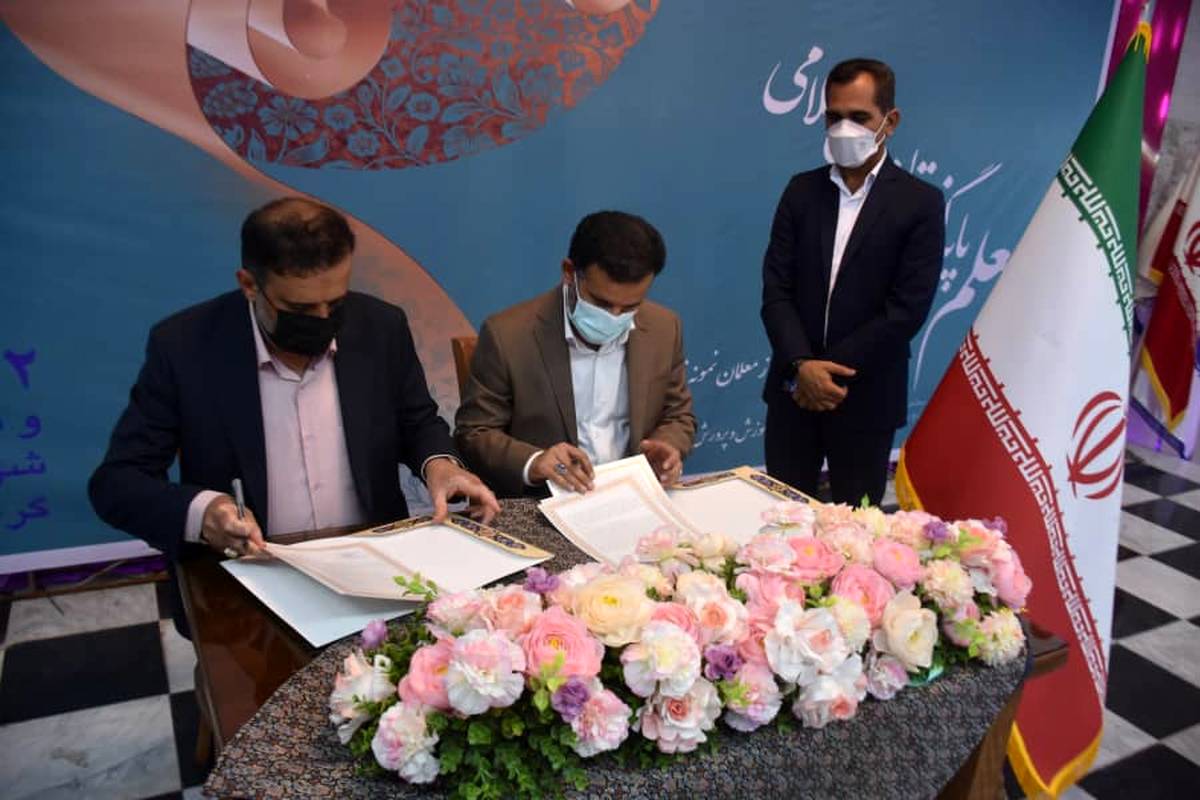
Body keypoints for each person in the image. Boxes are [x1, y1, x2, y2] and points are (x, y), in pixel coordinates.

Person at [89, 197, 499, 631]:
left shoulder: (379, 327)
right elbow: (118, 482)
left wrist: (440, 464)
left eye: (335, 303)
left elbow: (417, 422)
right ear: (249, 284)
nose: (323, 319)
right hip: (248, 586)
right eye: (301, 310)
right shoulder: (186, 347)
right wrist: (205, 513)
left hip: (375, 575)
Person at [760, 58, 945, 505]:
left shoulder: (920, 202)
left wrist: (825, 372)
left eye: (859, 117)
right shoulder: (801, 191)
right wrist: (802, 366)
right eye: (834, 117)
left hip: (866, 397)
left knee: (855, 530)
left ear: (890, 121)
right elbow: (776, 290)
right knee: (779, 518)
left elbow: (906, 309)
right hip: (793, 393)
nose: (844, 129)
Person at [455, 210, 696, 497]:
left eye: (631, 306)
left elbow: (678, 415)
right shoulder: (508, 335)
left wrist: (668, 445)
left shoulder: (663, 328)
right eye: (601, 304)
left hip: (633, 495)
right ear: (569, 272)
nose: (615, 316)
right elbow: (474, 433)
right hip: (545, 501)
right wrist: (535, 462)